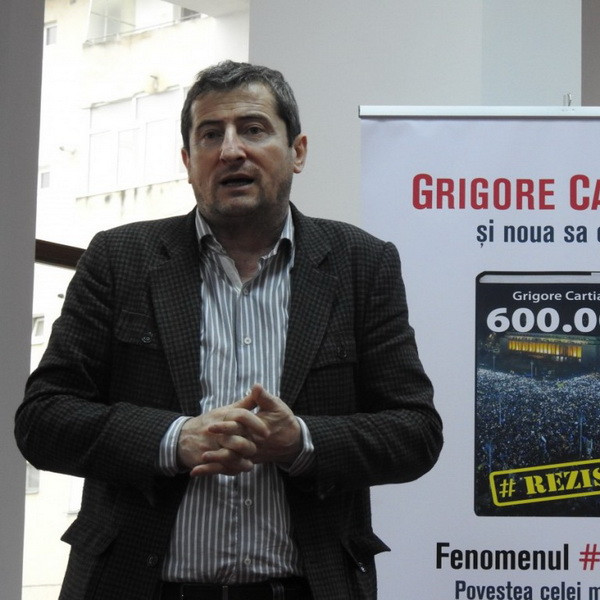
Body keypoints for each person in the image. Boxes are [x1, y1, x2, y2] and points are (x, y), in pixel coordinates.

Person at [15, 60, 443, 600]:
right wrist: (174, 439)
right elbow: (43, 419)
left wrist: (301, 441)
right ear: (188, 161)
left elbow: (414, 432)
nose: (231, 150)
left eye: (254, 129)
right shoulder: (119, 259)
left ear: (298, 151)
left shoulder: (361, 264)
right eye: (210, 134)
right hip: (138, 585)